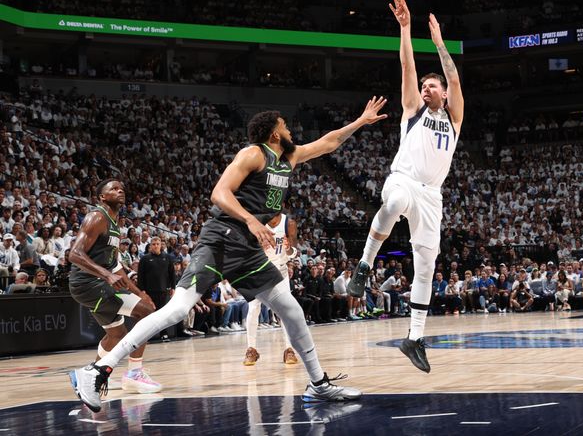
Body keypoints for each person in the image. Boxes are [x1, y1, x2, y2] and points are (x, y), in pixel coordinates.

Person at [70, 99, 387, 411]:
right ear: (274, 134)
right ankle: (97, 370)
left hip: (247, 250)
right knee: (178, 309)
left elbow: (328, 143)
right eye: (285, 126)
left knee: (290, 309)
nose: (291, 130)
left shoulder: (289, 158)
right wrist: (250, 219)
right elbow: (219, 193)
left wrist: (360, 121)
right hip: (222, 239)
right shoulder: (253, 154)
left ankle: (318, 384)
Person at [347, 0, 464, 373]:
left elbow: (456, 79)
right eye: (426, 86)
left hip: (432, 197)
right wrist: (405, 28)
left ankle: (414, 338)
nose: (428, 88)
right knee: (393, 203)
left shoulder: (454, 119)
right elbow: (407, 67)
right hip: (404, 181)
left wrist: (441, 44)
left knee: (427, 264)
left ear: (444, 94)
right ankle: (364, 266)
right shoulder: (413, 111)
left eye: (434, 86)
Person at [67, 180, 161, 397]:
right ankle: (134, 374)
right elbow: (74, 253)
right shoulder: (97, 217)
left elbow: (116, 267)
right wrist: (106, 275)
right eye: (114, 189)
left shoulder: (115, 224)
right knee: (147, 314)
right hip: (89, 284)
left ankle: (91, 379)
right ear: (101, 197)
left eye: (122, 188)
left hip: (96, 283)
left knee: (117, 335)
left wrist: (139, 293)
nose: (120, 190)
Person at [243, 212, 298, 366]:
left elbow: (294, 251)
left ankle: (289, 349)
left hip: (280, 271)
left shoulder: (289, 223)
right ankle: (251, 349)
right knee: (253, 308)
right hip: (259, 270)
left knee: (285, 311)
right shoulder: (256, 221)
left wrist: (288, 250)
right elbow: (247, 249)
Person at [136, 237, 175, 341]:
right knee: (148, 314)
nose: (156, 246)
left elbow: (172, 274)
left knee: (163, 314)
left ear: (161, 245)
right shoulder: (145, 258)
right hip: (149, 292)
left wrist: (173, 287)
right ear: (150, 246)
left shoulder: (167, 258)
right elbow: (141, 276)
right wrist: (142, 291)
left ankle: (164, 334)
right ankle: (145, 336)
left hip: (163, 291)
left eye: (158, 244)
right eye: (153, 244)